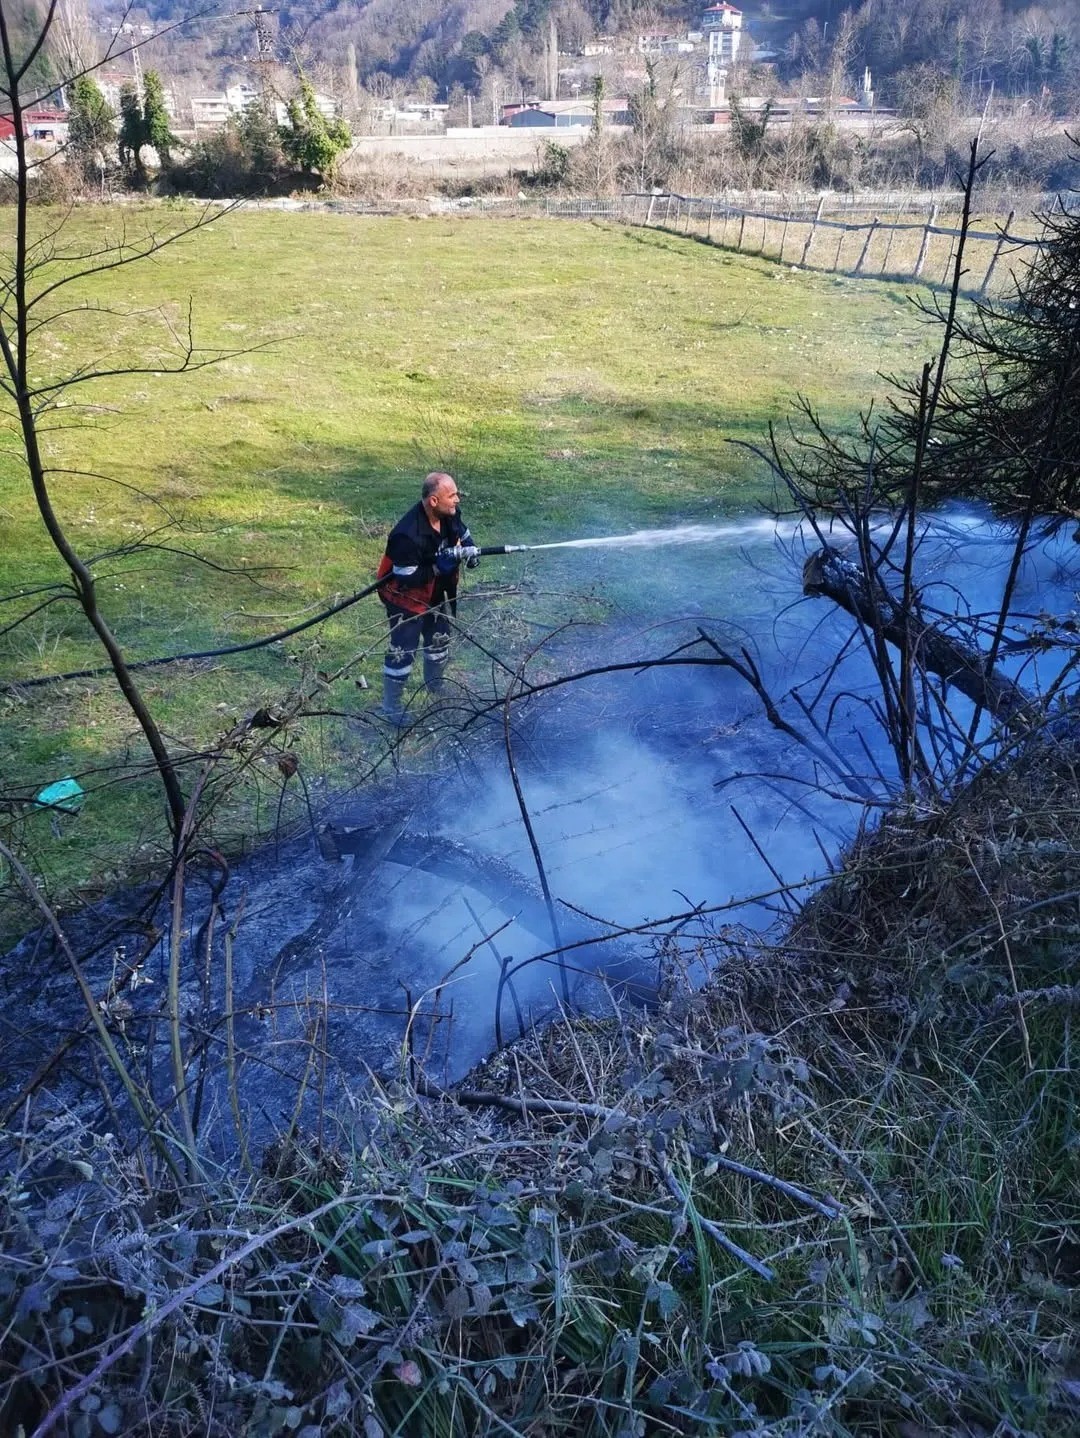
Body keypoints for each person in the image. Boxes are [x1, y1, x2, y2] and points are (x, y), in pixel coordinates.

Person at [376, 472, 479, 723]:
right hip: (405, 597)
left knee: (439, 637)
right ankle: (391, 707)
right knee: (404, 648)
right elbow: (405, 577)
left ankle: (434, 686)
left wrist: (470, 549)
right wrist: (436, 568)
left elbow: (461, 532)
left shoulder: (449, 514)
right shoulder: (406, 534)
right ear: (434, 501)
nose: (457, 500)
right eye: (451, 495)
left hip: (434, 593)